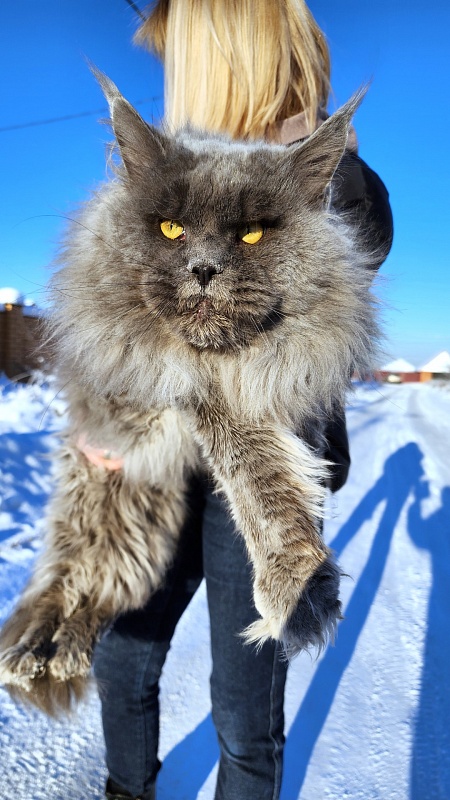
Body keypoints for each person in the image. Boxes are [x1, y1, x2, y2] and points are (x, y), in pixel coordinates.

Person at [93, 2, 393, 799]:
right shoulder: (179, 174)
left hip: (262, 470)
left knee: (243, 700)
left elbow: (313, 303)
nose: (171, 84)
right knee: (122, 645)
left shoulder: (331, 184)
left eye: (183, 60)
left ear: (232, 60)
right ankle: (126, 787)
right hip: (165, 458)